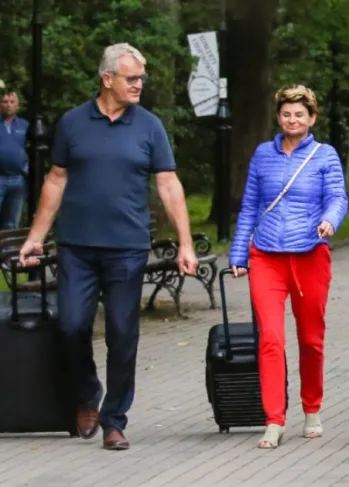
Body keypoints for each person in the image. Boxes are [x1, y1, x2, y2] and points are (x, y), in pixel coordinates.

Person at [19, 43, 199, 451]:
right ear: (107, 79)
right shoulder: (72, 123)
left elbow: (168, 184)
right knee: (70, 326)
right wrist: (35, 237)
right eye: (131, 78)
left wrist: (185, 242)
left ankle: (114, 420)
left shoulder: (149, 126)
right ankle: (88, 395)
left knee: (122, 334)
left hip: (127, 248)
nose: (139, 85)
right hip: (77, 247)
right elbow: (56, 179)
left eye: (141, 78)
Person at [229, 85, 348, 449]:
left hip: (310, 253)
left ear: (311, 118)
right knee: (270, 339)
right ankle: (274, 419)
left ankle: (312, 408)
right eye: (286, 114)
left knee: (310, 339)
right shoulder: (263, 154)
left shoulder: (324, 155)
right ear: (278, 117)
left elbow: (337, 197)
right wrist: (238, 254)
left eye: (300, 114)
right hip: (265, 254)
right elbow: (250, 205)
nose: (292, 120)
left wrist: (330, 220)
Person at [0, 89, 28, 229]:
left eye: (12, 102)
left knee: (11, 222)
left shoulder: (25, 125)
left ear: (17, 105)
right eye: (5, 101)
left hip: (18, 179)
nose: (9, 105)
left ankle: (8, 250)